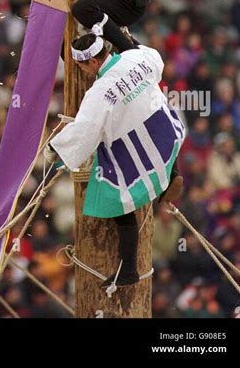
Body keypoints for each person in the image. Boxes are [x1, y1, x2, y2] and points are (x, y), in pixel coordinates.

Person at [45, 32, 185, 290]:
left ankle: (130, 267)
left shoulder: (98, 93)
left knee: (119, 200)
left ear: (90, 63)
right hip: (165, 131)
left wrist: (55, 147)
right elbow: (156, 60)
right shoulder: (135, 58)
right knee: (160, 153)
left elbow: (85, 129)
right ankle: (170, 177)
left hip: (137, 146)